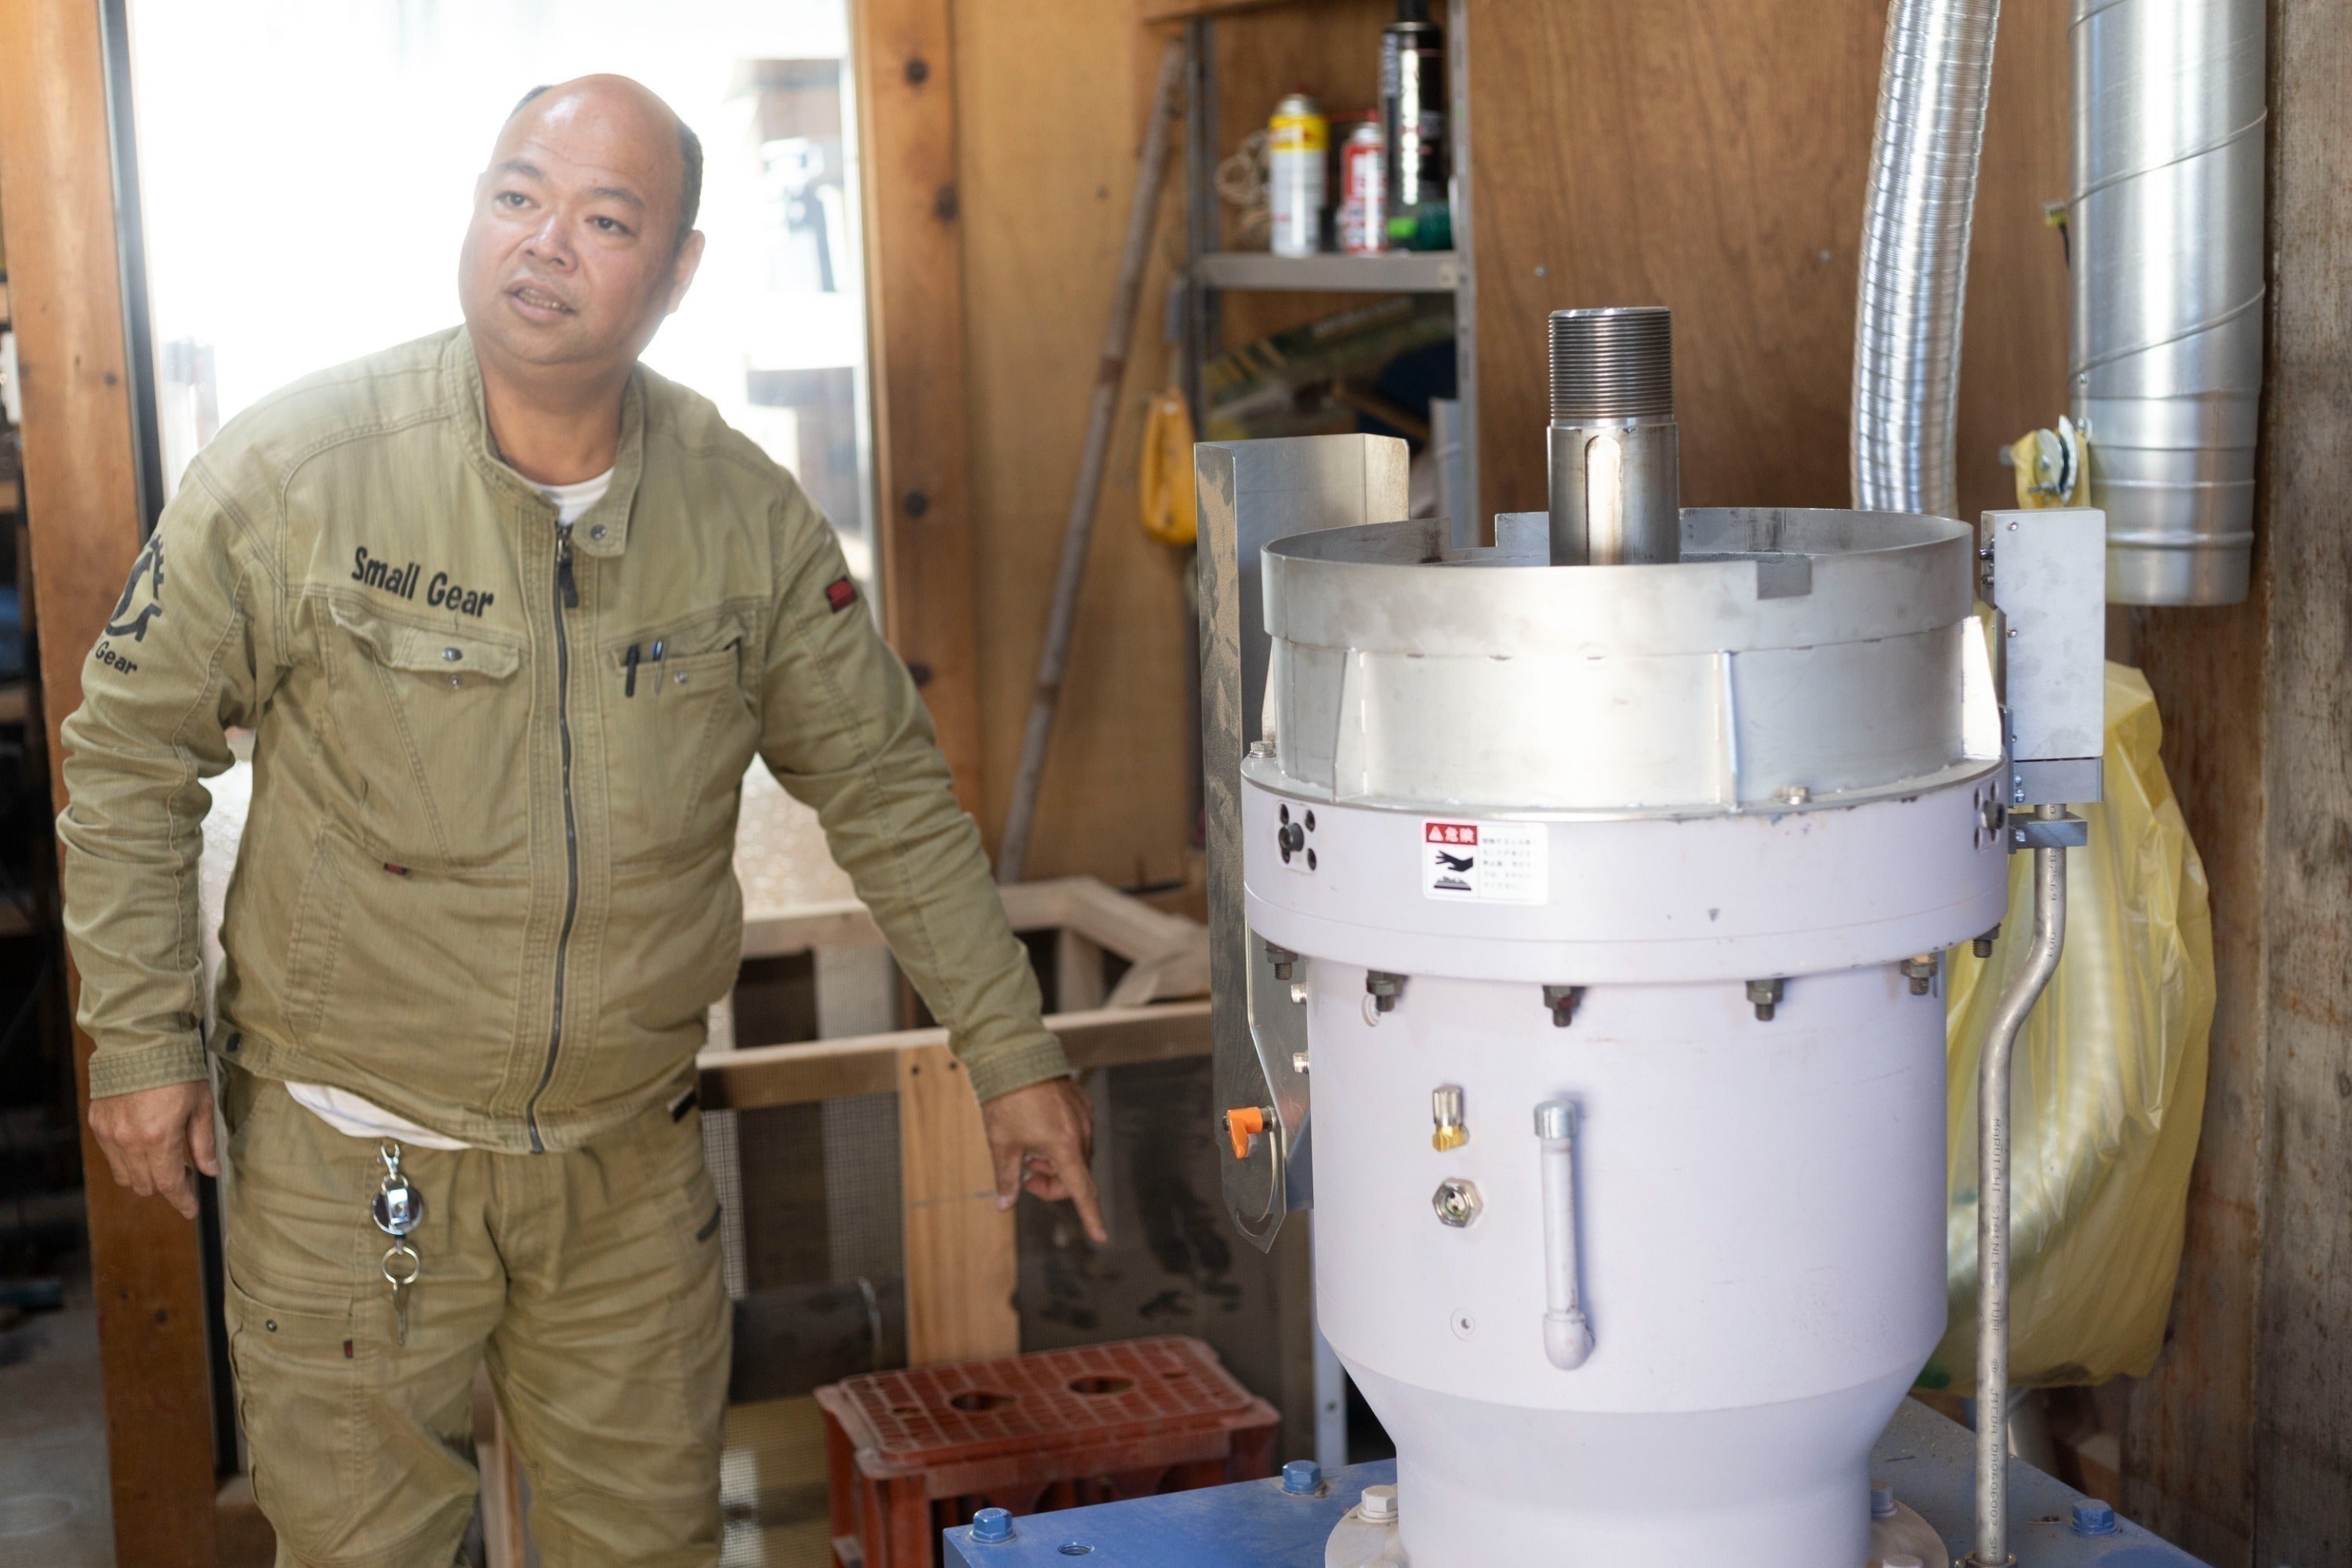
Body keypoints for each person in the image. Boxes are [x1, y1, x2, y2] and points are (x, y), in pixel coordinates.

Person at [60, 74, 1103, 1566]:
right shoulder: (297, 474)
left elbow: (887, 792)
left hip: (626, 1173)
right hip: (352, 1161)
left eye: (606, 220)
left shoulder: (744, 518)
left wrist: (1011, 1051)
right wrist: (143, 1039)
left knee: (652, 1549)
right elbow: (126, 752)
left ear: (677, 272)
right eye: (517, 197)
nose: (545, 242)